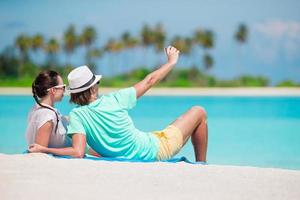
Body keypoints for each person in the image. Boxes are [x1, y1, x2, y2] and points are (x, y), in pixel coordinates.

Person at [29, 46, 208, 162]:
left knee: (168, 128)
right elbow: (150, 80)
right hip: (155, 150)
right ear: (93, 88)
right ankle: (201, 164)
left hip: (148, 144)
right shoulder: (115, 99)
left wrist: (44, 148)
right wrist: (171, 62)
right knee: (198, 111)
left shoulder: (77, 116)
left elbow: (78, 151)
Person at [25, 70, 72, 148]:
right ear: (53, 90)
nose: (64, 90)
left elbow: (60, 119)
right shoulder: (47, 116)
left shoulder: (37, 108)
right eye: (63, 87)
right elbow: (39, 150)